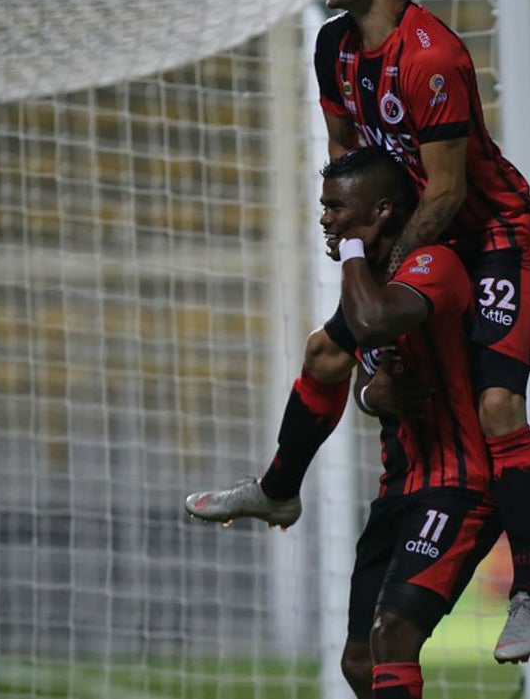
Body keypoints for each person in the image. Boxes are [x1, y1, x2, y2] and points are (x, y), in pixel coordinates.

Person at [185, 0, 530, 664]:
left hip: (491, 236)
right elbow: (349, 163)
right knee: (327, 353)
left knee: (496, 403)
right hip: (412, 234)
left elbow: (450, 193)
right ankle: (278, 486)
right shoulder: (332, 48)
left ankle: (527, 591)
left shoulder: (434, 58)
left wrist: (379, 263)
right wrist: (348, 225)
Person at [197, 147, 504, 697]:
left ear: (382, 211)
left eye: (336, 207)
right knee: (360, 663)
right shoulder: (373, 284)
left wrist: (352, 251)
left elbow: (371, 320)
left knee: (392, 638)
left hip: (459, 488)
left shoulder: (432, 266)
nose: (326, 218)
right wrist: (367, 396)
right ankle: (277, 491)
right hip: (401, 489)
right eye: (324, 207)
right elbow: (329, 359)